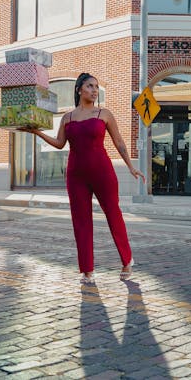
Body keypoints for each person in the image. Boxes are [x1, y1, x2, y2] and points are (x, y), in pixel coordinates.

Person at [20, 73, 145, 284]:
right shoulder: (67, 118)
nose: (94, 90)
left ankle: (127, 260)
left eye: (96, 87)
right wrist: (37, 133)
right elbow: (60, 143)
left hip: (102, 171)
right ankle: (87, 269)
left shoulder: (104, 114)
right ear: (79, 89)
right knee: (81, 222)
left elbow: (119, 143)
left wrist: (131, 167)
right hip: (75, 174)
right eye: (90, 86)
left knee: (113, 214)